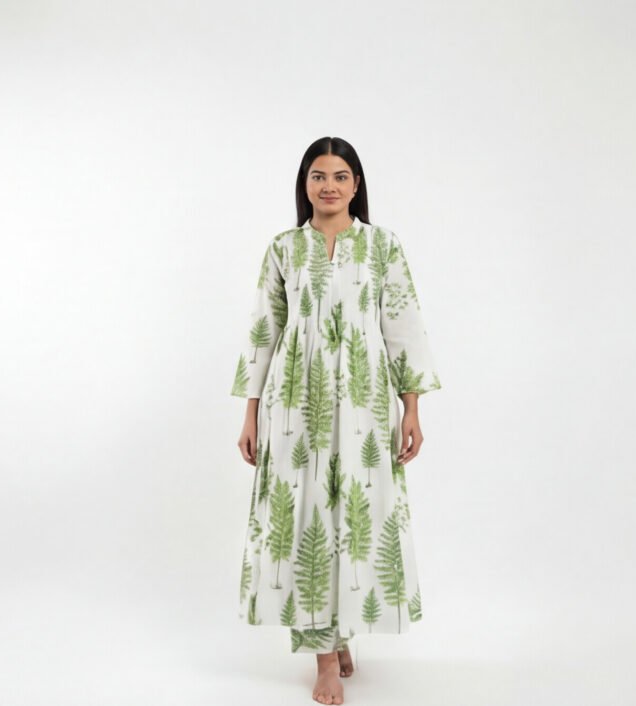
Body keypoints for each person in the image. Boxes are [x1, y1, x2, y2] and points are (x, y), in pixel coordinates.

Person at [230, 136, 442, 704]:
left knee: (354, 513)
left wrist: (412, 407)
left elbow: (403, 325)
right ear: (305, 184)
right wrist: (251, 413)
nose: (329, 186)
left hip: (364, 401)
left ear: (356, 185)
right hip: (294, 405)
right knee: (306, 518)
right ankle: (323, 656)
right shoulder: (284, 249)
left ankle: (341, 631)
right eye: (319, 175)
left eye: (340, 176)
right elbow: (264, 331)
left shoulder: (382, 247)